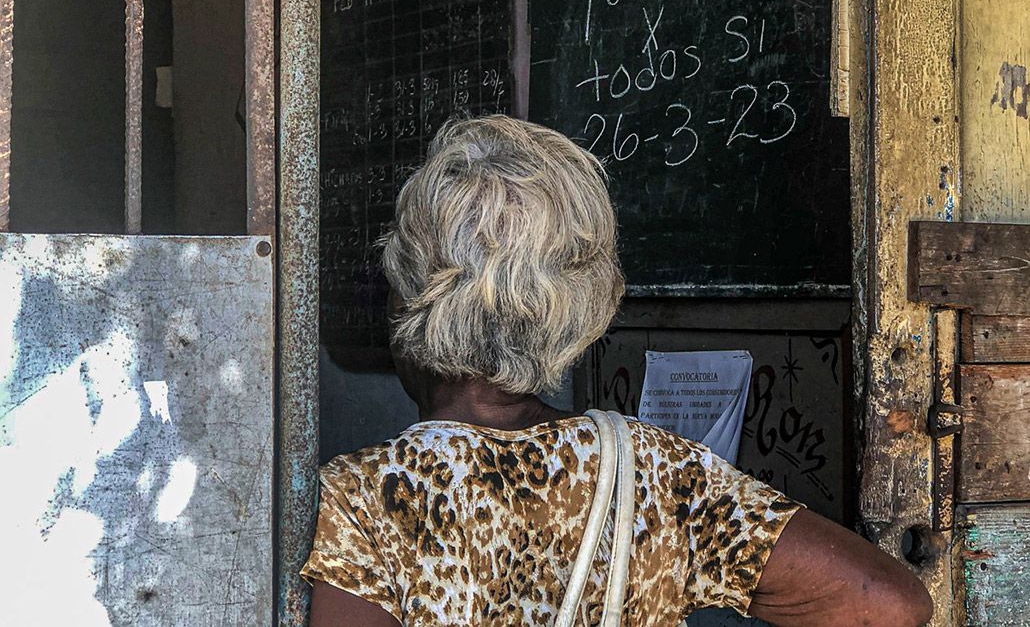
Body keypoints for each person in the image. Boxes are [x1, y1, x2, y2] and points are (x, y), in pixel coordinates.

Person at [302, 116, 934, 626]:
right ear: (582, 305)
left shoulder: (364, 501)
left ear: (409, 294)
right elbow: (888, 603)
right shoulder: (657, 473)